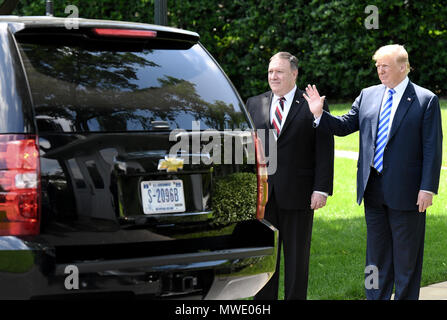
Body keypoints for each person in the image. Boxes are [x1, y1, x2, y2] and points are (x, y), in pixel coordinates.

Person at [304, 44, 443, 300]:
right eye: (377, 66)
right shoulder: (368, 94)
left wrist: (427, 188)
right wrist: (320, 114)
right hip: (372, 190)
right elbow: (345, 125)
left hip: (408, 193)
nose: (380, 71)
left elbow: (432, 148)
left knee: (406, 258)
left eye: (385, 66)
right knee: (376, 257)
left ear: (403, 67)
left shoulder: (425, 100)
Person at [246, 52, 334, 300]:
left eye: (279, 72)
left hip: (299, 194)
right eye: (271, 71)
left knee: (297, 260)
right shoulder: (254, 103)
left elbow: (324, 148)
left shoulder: (313, 104)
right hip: (263, 196)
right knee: (264, 258)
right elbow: (247, 149)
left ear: (294, 74)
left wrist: (321, 188)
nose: (273, 76)